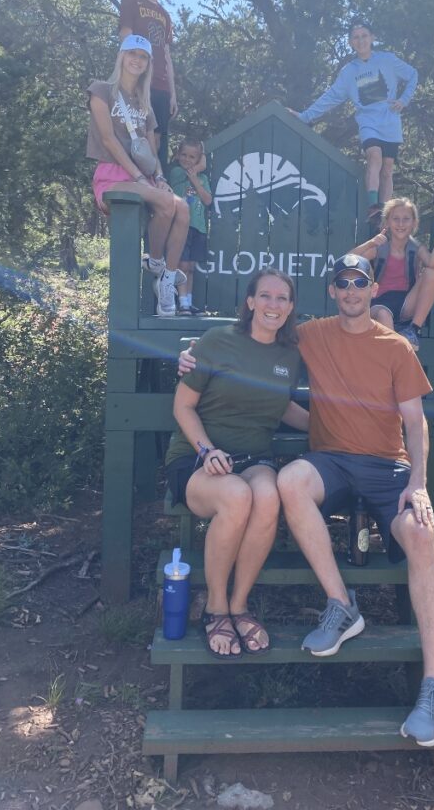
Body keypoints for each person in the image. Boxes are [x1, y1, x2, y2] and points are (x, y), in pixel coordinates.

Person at [179, 254, 434, 746]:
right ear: (331, 292)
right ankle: (341, 603)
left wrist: (420, 481)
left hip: (389, 466)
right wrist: (192, 352)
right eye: (342, 283)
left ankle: (433, 682)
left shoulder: (396, 348)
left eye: (360, 283)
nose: (351, 291)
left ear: (372, 290)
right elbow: (256, 335)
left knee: (420, 532)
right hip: (332, 462)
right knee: (290, 481)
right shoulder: (310, 333)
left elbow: (415, 421)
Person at [167, 269, 309, 658]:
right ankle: (215, 607)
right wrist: (206, 451)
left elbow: (283, 407)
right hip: (197, 460)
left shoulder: (289, 355)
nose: (273, 305)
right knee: (236, 495)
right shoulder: (216, 342)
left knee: (266, 495)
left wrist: (335, 429)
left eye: (282, 298)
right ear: (249, 302)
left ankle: (239, 605)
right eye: (265, 296)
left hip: (254, 459)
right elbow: (183, 405)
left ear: (291, 307)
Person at [86, 34, 189, 317]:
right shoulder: (101, 90)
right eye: (132, 53)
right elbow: (108, 140)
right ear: (121, 56)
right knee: (166, 204)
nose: (136, 60)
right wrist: (141, 179)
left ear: (148, 64)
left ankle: (166, 277)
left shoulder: (144, 104)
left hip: (143, 176)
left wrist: (160, 178)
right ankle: (156, 262)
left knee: (182, 207)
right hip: (113, 174)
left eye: (142, 57)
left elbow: (151, 151)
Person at [291, 21, 418, 228]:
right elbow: (330, 97)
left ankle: (385, 214)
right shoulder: (349, 72)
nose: (361, 40)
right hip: (368, 122)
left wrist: (404, 99)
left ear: (372, 38)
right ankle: (373, 208)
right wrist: (305, 116)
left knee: (387, 168)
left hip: (390, 121)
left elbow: (413, 75)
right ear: (351, 42)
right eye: (356, 37)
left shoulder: (387, 59)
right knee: (374, 154)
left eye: (364, 35)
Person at [350, 199, 434, 349]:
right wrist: (371, 243)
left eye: (406, 219)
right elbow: (348, 261)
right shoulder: (380, 247)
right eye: (395, 219)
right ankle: (393, 358)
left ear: (414, 223)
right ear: (387, 222)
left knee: (432, 273)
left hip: (406, 304)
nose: (401, 224)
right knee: (384, 315)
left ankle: (412, 330)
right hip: (380, 303)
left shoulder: (415, 248)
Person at [119, 0, 178, 176]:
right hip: (138, 81)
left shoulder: (165, 15)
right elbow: (125, 36)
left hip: (162, 87)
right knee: (135, 134)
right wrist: (128, 80)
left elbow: (166, 54)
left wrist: (173, 93)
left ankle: (159, 190)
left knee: (159, 140)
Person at [168, 138, 212, 315]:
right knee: (182, 265)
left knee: (191, 267)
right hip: (182, 226)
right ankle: (182, 303)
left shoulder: (202, 178)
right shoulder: (177, 173)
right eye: (184, 155)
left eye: (192, 157)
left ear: (198, 159)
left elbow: (208, 200)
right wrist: (194, 171)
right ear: (178, 155)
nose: (187, 159)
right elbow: (197, 166)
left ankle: (189, 302)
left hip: (198, 228)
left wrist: (195, 180)